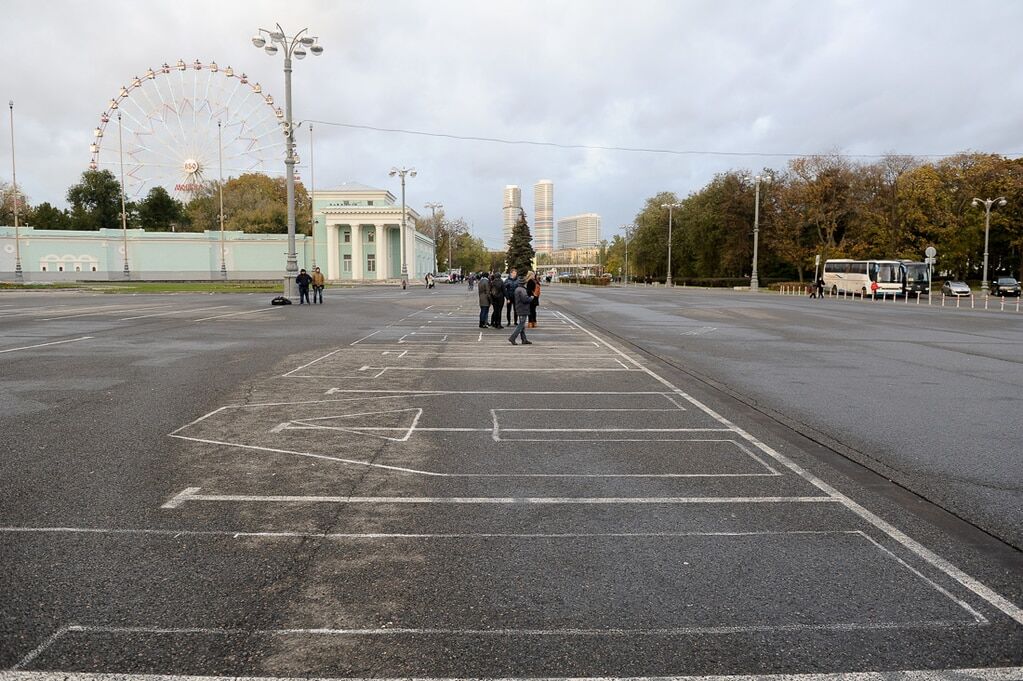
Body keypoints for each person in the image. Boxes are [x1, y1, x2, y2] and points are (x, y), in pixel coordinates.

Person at [508, 277, 534, 345]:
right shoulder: (522, 290)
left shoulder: (517, 289)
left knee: (522, 325)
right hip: (523, 308)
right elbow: (525, 299)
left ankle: (524, 339)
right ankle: (512, 338)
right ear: (524, 283)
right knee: (521, 324)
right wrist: (531, 298)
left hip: (519, 308)